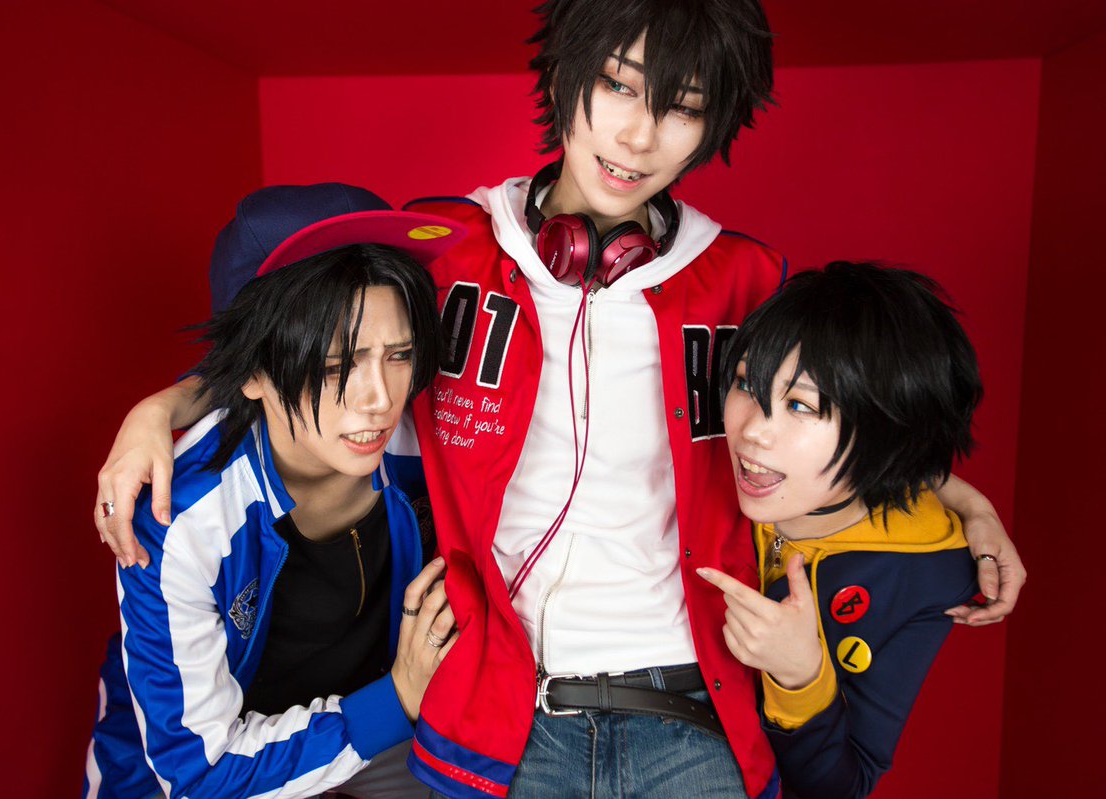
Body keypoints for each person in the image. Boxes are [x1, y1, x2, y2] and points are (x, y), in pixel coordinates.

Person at [92, 2, 1025, 797]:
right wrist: (163, 408)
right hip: (503, 713)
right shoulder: (445, 250)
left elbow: (839, 413)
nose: (638, 136)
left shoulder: (746, 281)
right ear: (567, 74)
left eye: (682, 108)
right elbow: (304, 336)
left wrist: (963, 499)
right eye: (618, 84)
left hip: (692, 715)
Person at [82, 184, 468, 799]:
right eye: (337, 366)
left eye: (399, 355)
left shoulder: (430, 440)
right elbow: (200, 775)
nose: (379, 399)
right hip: (206, 766)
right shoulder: (178, 518)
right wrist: (396, 700)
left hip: (378, 723)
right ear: (252, 372)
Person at [698, 262, 984, 798]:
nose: (753, 431)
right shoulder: (700, 463)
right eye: (745, 384)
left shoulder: (927, 574)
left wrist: (800, 676)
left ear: (887, 429)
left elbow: (843, 786)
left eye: (800, 405)